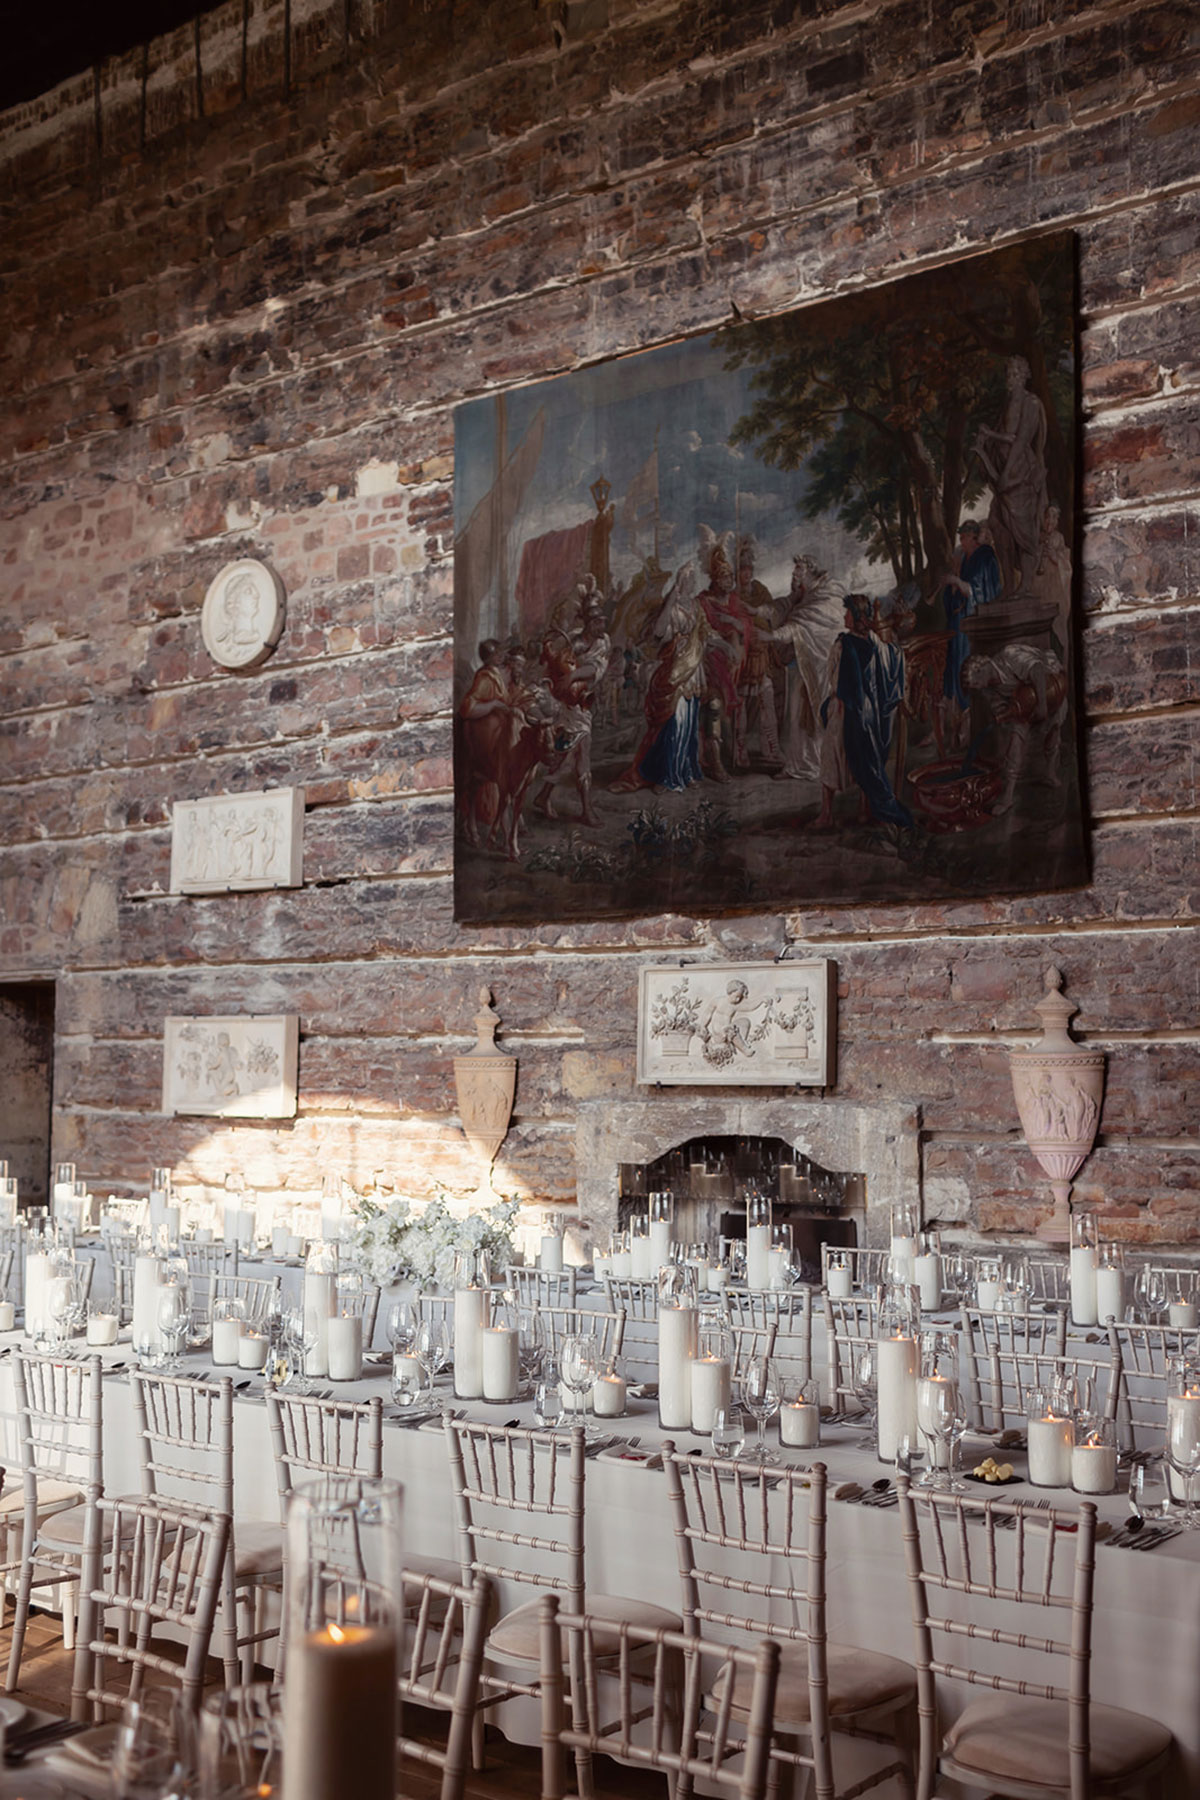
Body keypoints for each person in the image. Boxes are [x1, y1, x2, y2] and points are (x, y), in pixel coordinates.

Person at [612, 561, 722, 793]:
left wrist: (723, 644)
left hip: (693, 670)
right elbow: (659, 632)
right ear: (681, 582)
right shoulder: (671, 607)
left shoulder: (695, 607)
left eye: (692, 580)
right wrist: (671, 598)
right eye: (688, 579)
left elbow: (706, 632)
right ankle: (665, 774)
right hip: (674, 671)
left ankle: (686, 770)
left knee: (690, 723)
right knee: (675, 722)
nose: (692, 583)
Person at [814, 594, 912, 829]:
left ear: (857, 616)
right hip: (869, 711)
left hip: (845, 708)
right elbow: (895, 655)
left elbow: (834, 678)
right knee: (867, 759)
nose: (844, 615)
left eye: (848, 612)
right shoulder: (876, 642)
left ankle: (827, 815)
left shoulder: (843, 643)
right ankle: (863, 811)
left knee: (831, 758)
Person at [751, 554, 837, 781]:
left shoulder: (826, 596)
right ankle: (797, 766)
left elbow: (801, 626)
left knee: (814, 716)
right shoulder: (805, 595)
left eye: (799, 571)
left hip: (819, 666)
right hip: (801, 665)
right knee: (796, 717)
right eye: (794, 571)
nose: (795, 575)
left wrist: (771, 636)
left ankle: (816, 765)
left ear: (810, 571)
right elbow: (784, 605)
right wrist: (756, 612)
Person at [961, 641, 1068, 815]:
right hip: (1023, 705)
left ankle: (1049, 772)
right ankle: (1008, 797)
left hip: (1050, 689)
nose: (978, 688)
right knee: (1015, 742)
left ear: (981, 670)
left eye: (976, 683)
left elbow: (1037, 670)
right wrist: (1007, 715)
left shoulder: (1009, 656)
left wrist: (1041, 705)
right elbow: (1001, 709)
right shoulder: (989, 690)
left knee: (1054, 731)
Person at [975, 354, 1049, 596]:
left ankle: (1026, 585)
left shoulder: (1031, 403)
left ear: (1024, 376)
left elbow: (1021, 441)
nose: (1010, 378)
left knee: (1024, 532)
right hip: (1004, 478)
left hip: (1020, 475)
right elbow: (1002, 437)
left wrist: (1006, 474)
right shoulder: (1007, 404)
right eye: (1008, 373)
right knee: (999, 526)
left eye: (1015, 373)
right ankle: (1008, 587)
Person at [941, 520, 1003, 722]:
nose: (961, 542)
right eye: (960, 538)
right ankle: (954, 713)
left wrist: (957, 582)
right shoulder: (965, 559)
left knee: (965, 663)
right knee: (953, 664)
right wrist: (952, 585)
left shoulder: (984, 557)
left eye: (964, 538)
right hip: (959, 622)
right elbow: (957, 596)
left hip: (974, 622)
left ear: (973, 538)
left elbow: (978, 591)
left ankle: (969, 713)